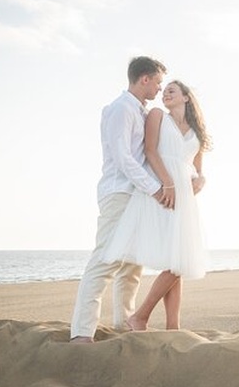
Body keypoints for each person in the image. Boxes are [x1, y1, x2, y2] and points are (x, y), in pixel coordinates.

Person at [70, 56, 170, 343]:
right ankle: (81, 332)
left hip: (137, 195)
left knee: (131, 265)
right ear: (144, 79)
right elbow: (123, 157)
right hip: (119, 192)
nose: (160, 89)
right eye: (158, 82)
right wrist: (155, 188)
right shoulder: (121, 108)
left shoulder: (142, 111)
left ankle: (123, 323)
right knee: (105, 260)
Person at [102, 79, 211, 331]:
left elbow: (198, 170)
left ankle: (173, 326)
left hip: (185, 198)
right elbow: (150, 151)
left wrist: (201, 181)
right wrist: (167, 185)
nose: (165, 93)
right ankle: (140, 316)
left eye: (172, 90)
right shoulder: (157, 115)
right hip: (162, 191)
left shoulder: (197, 130)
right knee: (177, 261)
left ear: (186, 97)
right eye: (164, 90)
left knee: (178, 259)